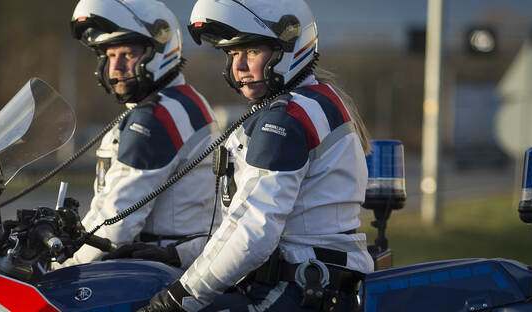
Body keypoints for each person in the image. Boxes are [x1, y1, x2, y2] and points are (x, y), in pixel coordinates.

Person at [138, 0, 375, 311]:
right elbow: (245, 224)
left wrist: (181, 297)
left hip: (296, 289)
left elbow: (254, 232)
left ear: (285, 49)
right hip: (317, 284)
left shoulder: (285, 119)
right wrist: (179, 255)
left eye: (250, 51)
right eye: (232, 54)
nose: (238, 67)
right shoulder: (313, 101)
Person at [63, 0, 219, 269]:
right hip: (179, 259)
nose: (116, 68)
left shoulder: (157, 117)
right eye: (110, 56)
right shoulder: (180, 101)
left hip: (159, 267)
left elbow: (117, 222)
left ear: (157, 51)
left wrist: (62, 269)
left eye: (127, 54)